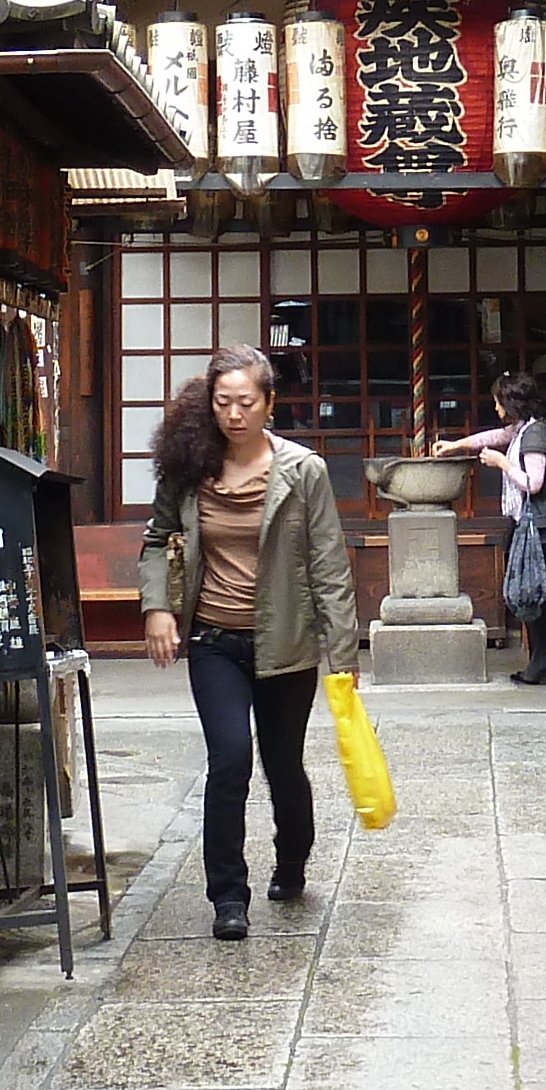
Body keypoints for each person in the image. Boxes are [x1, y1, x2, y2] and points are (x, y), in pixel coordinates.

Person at [135, 346, 367, 939]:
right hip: (214, 640)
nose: (234, 414)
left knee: (282, 766)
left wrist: (342, 656)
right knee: (230, 759)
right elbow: (158, 538)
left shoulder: (303, 470)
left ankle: (291, 865)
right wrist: (158, 607)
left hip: (286, 643)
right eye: (223, 402)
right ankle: (228, 897)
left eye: (245, 402)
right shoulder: (190, 465)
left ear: (269, 403)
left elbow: (330, 566)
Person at [434, 371, 546, 685]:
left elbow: (533, 483)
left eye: (499, 402)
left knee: (535, 593)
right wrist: (455, 446)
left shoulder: (536, 436)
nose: (497, 409)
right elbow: (493, 437)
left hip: (538, 526)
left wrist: (502, 463)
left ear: (510, 403)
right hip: (529, 524)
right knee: (535, 594)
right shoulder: (526, 428)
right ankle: (544, 663)